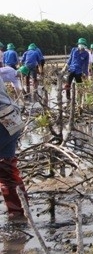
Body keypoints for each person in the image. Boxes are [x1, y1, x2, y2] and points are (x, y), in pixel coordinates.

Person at [0, 75, 29, 219]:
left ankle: (18, 215)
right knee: (6, 169)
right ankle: (19, 214)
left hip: (2, 122)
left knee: (6, 170)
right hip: (9, 117)